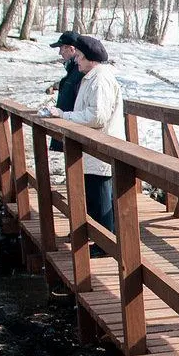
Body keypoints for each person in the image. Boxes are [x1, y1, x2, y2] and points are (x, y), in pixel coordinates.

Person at [41, 36, 124, 235]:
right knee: (93, 196)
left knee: (101, 197)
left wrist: (64, 115)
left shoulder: (99, 79)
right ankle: (93, 236)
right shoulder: (92, 77)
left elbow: (97, 117)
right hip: (93, 148)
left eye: (79, 56)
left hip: (101, 147)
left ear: (90, 59)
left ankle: (105, 243)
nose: (76, 60)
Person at [47, 31, 84, 154]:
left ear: (72, 49)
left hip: (76, 132)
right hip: (70, 129)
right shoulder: (73, 70)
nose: (60, 52)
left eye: (62, 48)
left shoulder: (80, 72)